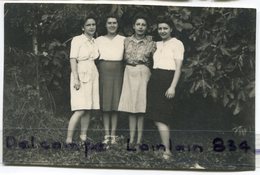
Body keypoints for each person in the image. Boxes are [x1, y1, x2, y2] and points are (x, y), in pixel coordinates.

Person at [147, 17, 184, 159]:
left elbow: (179, 68)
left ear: (171, 29)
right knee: (157, 116)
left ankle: (167, 151)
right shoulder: (156, 44)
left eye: (165, 28)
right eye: (160, 28)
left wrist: (172, 87)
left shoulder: (177, 44)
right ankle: (165, 148)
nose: (162, 31)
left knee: (162, 117)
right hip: (155, 79)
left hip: (167, 80)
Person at [118, 14, 156, 148]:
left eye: (143, 25)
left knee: (140, 107)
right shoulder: (125, 41)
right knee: (131, 107)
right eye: (138, 24)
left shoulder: (151, 43)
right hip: (129, 72)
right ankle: (131, 138)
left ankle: (139, 140)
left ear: (147, 28)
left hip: (143, 72)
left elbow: (157, 60)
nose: (140, 27)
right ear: (133, 26)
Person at [66, 16, 100, 144]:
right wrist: (76, 78)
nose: (91, 27)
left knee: (88, 107)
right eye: (88, 25)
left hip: (92, 72)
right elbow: (73, 59)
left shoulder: (95, 41)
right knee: (80, 108)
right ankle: (68, 139)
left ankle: (83, 137)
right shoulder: (77, 40)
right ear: (83, 27)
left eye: (93, 24)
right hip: (80, 73)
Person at [96, 15, 125, 145]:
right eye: (109, 23)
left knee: (115, 105)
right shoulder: (98, 40)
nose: (112, 25)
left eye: (114, 23)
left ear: (118, 25)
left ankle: (113, 135)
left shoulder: (124, 39)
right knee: (105, 104)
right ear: (105, 25)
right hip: (104, 71)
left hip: (118, 72)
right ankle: (106, 134)